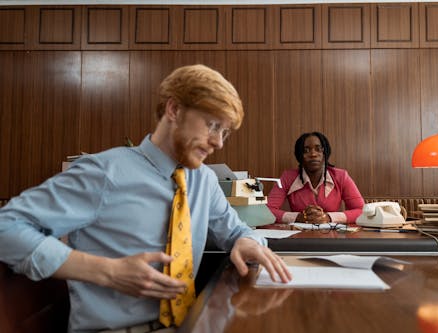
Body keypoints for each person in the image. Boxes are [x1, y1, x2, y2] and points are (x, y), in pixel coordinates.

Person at [0, 64, 291, 333]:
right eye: (212, 125)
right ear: (174, 110)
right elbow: (6, 227)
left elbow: (238, 231)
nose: (218, 142)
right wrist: (109, 272)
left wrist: (246, 242)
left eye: (225, 132)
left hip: (188, 324)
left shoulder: (203, 180)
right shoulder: (104, 172)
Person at [267, 132, 364, 224]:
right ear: (299, 156)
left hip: (332, 237)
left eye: (318, 149)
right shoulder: (287, 177)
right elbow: (268, 210)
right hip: (298, 236)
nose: (313, 154)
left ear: (325, 152)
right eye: (306, 150)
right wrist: (298, 217)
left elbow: (361, 210)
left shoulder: (341, 176)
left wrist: (328, 217)